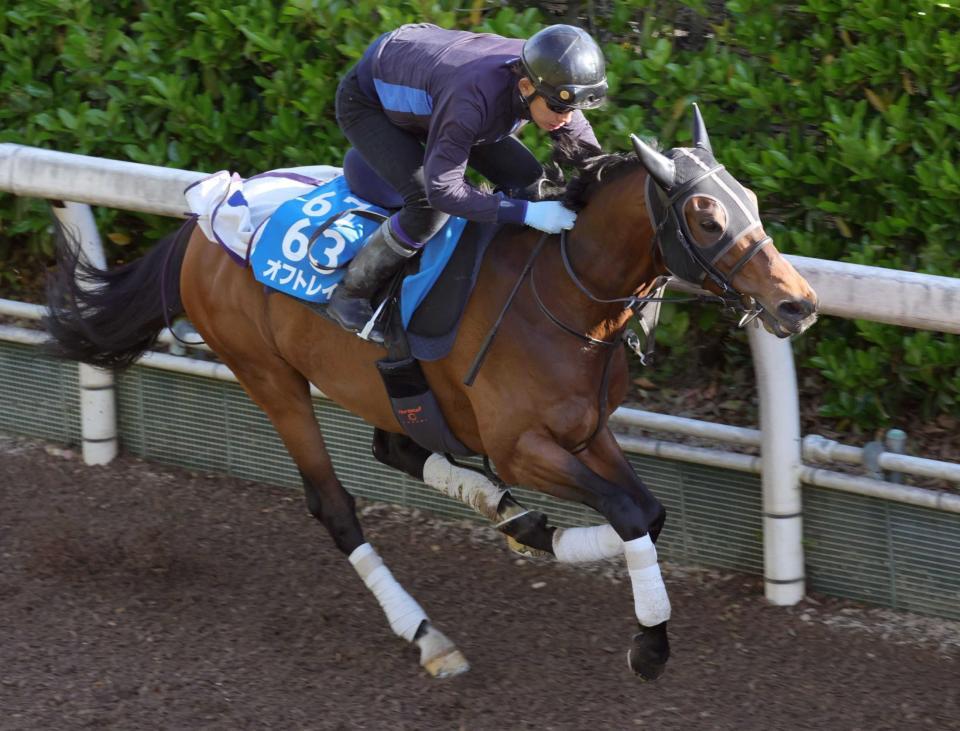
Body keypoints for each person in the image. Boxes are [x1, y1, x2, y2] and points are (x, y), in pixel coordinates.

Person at [325, 22, 608, 342]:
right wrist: (526, 214)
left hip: (440, 92)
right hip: (370, 101)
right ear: (526, 86)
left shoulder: (547, 75)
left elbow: (584, 149)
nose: (565, 118)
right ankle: (350, 294)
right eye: (558, 107)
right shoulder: (473, 101)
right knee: (428, 206)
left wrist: (603, 180)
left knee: (529, 182)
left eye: (572, 107)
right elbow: (444, 191)